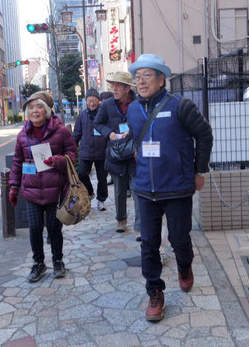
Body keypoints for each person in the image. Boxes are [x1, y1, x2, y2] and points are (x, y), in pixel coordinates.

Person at [126, 54, 213, 322]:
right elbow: (136, 140)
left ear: (162, 79)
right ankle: (155, 290)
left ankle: (185, 267)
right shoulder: (132, 109)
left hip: (177, 188)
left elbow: (204, 135)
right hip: (145, 189)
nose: (141, 81)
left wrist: (199, 170)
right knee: (149, 244)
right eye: (137, 77)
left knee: (179, 239)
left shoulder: (180, 106)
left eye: (147, 75)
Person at [9, 91, 77, 283]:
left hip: (55, 190)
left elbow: (73, 156)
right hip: (31, 191)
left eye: (39, 106)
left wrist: (56, 161)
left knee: (54, 228)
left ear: (47, 110)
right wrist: (14, 187)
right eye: (30, 107)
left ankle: (57, 260)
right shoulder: (22, 135)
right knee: (35, 228)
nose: (35, 111)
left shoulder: (61, 131)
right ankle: (38, 263)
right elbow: (17, 162)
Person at [94, 71, 141, 238]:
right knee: (120, 191)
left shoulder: (138, 102)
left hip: (134, 154)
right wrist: (109, 133)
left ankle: (139, 226)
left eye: (118, 85)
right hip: (116, 153)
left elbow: (145, 122)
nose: (114, 89)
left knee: (137, 190)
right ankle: (121, 220)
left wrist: (135, 135)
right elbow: (97, 123)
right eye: (112, 85)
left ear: (128, 88)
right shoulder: (106, 104)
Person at [73, 88, 108, 211]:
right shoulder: (83, 114)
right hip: (86, 151)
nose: (91, 104)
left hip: (102, 151)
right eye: (89, 101)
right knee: (82, 173)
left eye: (93, 101)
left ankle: (101, 200)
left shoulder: (104, 113)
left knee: (102, 178)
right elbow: (77, 133)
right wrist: (73, 146)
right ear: (86, 102)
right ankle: (90, 192)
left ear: (98, 100)